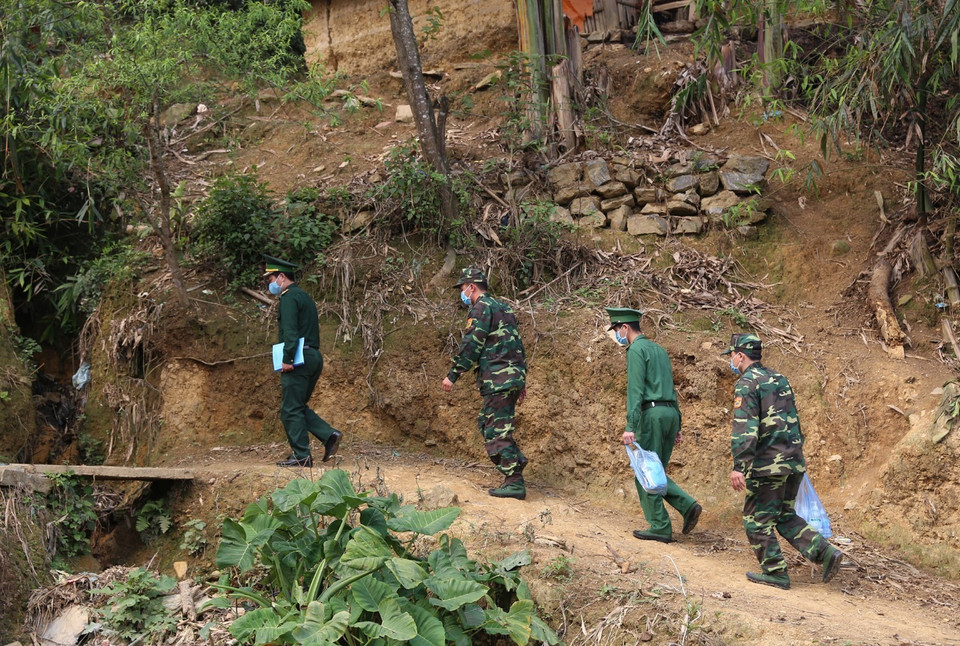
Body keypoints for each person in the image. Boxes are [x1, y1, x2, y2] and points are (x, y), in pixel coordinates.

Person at [723, 333, 843, 589]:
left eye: (731, 355)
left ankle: (775, 571)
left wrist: (739, 466)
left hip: (767, 464)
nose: (730, 360)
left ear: (740, 356)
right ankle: (825, 552)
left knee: (756, 519)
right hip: (792, 461)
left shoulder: (747, 384)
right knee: (784, 514)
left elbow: (746, 428)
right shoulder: (779, 378)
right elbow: (793, 421)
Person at [606, 307, 701, 543]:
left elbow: (635, 390)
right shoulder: (658, 349)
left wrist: (630, 425)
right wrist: (678, 422)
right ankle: (687, 506)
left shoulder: (636, 350)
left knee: (645, 472)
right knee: (656, 470)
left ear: (625, 328)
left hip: (652, 415)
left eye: (617, 329)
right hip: (669, 414)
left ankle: (660, 525)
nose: (617, 335)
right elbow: (671, 387)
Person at [442, 268, 528, 500]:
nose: (462, 293)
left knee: (494, 430)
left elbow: (472, 343)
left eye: (463, 289)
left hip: (498, 380)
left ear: (472, 286)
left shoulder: (480, 308)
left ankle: (514, 480)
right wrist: (521, 379)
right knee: (492, 424)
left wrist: (453, 374)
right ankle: (516, 462)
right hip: (511, 377)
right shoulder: (503, 307)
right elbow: (516, 345)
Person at [264, 254, 342, 468]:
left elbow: (290, 331)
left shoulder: (288, 298)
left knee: (290, 409)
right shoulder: (304, 296)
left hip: (298, 357)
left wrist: (287, 358)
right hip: (313, 356)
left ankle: (301, 456)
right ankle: (329, 436)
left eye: (270, 280)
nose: (269, 285)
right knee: (296, 406)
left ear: (281, 277)